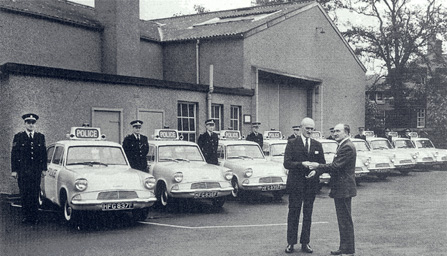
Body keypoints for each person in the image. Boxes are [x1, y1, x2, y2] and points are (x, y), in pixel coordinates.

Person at [306, 124, 357, 256]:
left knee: (345, 220)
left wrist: (318, 166)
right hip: (342, 187)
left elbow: (335, 166)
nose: (335, 133)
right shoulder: (343, 145)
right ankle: (345, 248)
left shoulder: (347, 147)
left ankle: (348, 250)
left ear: (346, 132)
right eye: (333, 131)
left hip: (344, 188)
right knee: (343, 220)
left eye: (338, 131)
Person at [283, 117, 326, 254]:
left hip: (310, 186)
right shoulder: (292, 143)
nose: (309, 131)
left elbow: (322, 165)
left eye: (312, 129)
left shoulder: (317, 145)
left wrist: (315, 171)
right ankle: (291, 243)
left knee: (308, 214)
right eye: (307, 128)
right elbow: (287, 163)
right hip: (296, 185)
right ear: (301, 128)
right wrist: (301, 164)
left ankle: (305, 243)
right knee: (293, 213)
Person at [11, 113, 47, 224]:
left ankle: (34, 217)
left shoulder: (40, 137)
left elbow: (43, 154)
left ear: (35, 125)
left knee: (35, 194)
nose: (31, 125)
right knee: (25, 194)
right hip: (23, 172)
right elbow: (14, 154)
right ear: (25, 124)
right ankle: (26, 217)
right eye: (29, 122)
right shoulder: (19, 137)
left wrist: (44, 169)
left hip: (35, 172)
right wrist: (14, 170)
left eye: (33, 123)